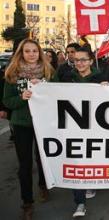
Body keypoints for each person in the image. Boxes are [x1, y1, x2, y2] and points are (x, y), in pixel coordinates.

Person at [3, 39, 54, 220]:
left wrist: (44, 89)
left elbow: (56, 96)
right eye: (27, 51)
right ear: (21, 53)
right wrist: (21, 97)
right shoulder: (12, 74)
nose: (31, 54)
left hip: (43, 123)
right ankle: (27, 203)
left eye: (34, 51)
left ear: (39, 52)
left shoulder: (48, 72)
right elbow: (7, 101)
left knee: (42, 159)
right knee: (24, 164)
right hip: (21, 124)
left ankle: (43, 185)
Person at [54, 46, 102, 217]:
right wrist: (39, 88)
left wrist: (108, 88)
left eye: (83, 60)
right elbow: (52, 94)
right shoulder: (66, 77)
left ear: (90, 61)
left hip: (95, 127)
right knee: (76, 162)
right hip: (72, 128)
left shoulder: (100, 77)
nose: (80, 63)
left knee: (92, 157)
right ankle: (80, 202)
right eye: (76, 60)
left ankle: (91, 182)